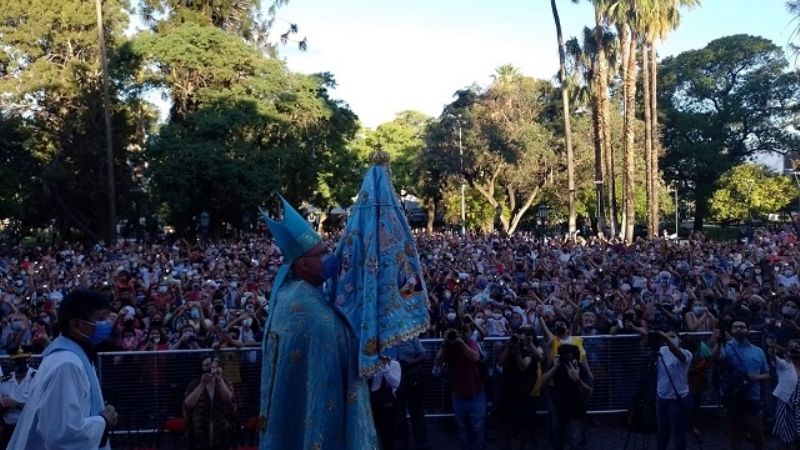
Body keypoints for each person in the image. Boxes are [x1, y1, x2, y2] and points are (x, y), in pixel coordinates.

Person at [257, 196, 379, 450]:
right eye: (322, 253)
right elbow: (340, 344)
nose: (330, 255)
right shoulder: (307, 310)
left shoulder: (290, 292)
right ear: (303, 264)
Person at [8, 289, 118, 449]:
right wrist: (104, 421)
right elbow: (61, 434)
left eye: (108, 317)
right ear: (76, 324)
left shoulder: (78, 354)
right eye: (100, 318)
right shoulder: (66, 364)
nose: (107, 323)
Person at [711, 319, 771, 450]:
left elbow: (767, 373)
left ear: (747, 330)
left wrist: (756, 377)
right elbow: (714, 358)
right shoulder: (726, 346)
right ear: (731, 330)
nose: (738, 329)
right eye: (735, 327)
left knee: (756, 429)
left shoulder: (758, 351)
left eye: (742, 327)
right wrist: (719, 342)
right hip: (733, 394)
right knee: (735, 428)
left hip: (752, 394)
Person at [434, 321, 486, 450]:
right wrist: (444, 344)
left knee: (477, 428)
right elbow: (437, 362)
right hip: (458, 394)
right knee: (463, 428)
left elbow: (475, 357)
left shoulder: (469, 342)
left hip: (476, 393)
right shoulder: (448, 347)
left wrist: (461, 342)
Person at [541, 343, 593, 450]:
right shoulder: (558, 366)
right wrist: (554, 367)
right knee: (558, 438)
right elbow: (542, 382)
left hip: (576, 408)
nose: (567, 359)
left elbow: (589, 392)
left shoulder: (580, 367)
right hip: (558, 407)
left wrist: (577, 380)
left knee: (574, 440)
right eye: (564, 356)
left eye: (570, 356)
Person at [388, 337, 432, 450]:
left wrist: (411, 362)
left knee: (417, 412)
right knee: (398, 413)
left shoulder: (411, 336)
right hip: (395, 379)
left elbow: (423, 355)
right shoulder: (387, 337)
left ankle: (421, 443)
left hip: (412, 376)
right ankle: (402, 442)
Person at [183, 357, 237, 450]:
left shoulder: (224, 381)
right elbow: (188, 404)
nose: (210, 367)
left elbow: (229, 399)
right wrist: (202, 385)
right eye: (206, 365)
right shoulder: (194, 384)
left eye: (212, 364)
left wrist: (220, 379)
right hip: (199, 434)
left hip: (222, 432)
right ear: (201, 368)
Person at [653, 330, 692, 450]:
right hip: (661, 397)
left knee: (678, 433)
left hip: (677, 399)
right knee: (662, 432)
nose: (669, 338)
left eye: (673, 336)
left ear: (679, 340)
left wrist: (665, 337)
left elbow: (678, 353)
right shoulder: (662, 350)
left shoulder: (686, 353)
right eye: (667, 336)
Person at [0, 347, 36, 448]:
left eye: (21, 360)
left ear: (27, 360)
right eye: (15, 360)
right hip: (9, 430)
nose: (18, 363)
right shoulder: (3, 381)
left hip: (28, 428)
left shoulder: (37, 378)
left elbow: (39, 408)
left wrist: (16, 404)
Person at [768, 339, 800, 449]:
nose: (795, 349)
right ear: (788, 351)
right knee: (785, 433)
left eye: (797, 347)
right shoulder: (784, 365)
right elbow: (774, 359)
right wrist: (772, 350)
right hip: (785, 402)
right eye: (792, 347)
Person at [369, 354, 402, 450]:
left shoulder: (394, 364)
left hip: (387, 402)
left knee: (387, 434)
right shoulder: (371, 364)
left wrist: (385, 367)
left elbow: (395, 383)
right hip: (372, 400)